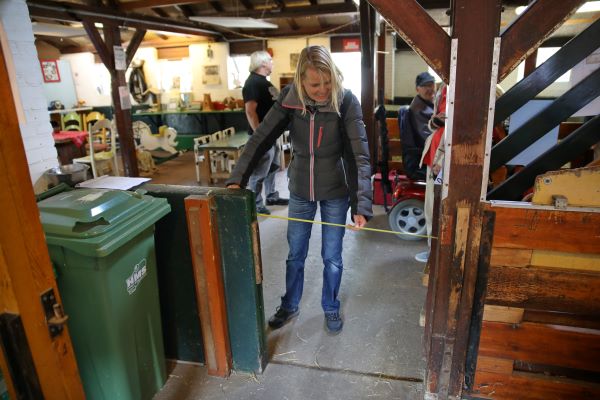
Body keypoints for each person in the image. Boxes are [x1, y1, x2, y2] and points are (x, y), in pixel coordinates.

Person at [226, 45, 372, 334]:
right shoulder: (289, 100)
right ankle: (290, 305)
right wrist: (238, 177)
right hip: (300, 191)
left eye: (327, 82)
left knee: (332, 256)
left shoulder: (346, 102)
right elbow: (261, 138)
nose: (322, 89)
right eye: (315, 84)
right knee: (296, 254)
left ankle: (330, 306)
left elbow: (360, 156)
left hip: (335, 191)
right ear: (301, 81)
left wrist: (362, 204)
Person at [242, 50, 288, 215]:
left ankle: (271, 196)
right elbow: (250, 111)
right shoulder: (253, 83)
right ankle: (256, 204)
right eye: (270, 60)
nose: (272, 63)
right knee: (259, 172)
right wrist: (259, 135)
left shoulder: (263, 82)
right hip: (262, 137)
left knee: (273, 167)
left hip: (271, 135)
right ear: (262, 63)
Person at [400, 72, 436, 181]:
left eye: (431, 85)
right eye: (425, 86)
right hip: (419, 162)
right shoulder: (417, 109)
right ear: (417, 89)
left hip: (424, 157)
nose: (429, 89)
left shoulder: (429, 104)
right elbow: (427, 139)